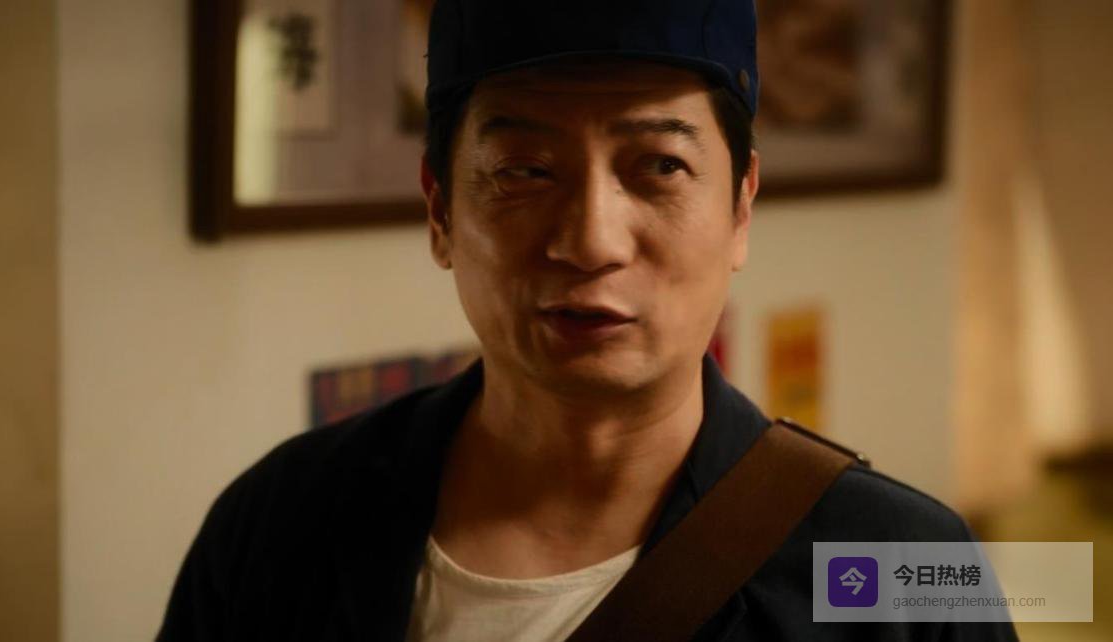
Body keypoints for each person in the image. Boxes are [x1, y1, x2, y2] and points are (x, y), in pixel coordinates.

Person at [159, 1, 1019, 640]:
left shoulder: (908, 568)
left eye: (660, 166)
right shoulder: (282, 523)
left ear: (741, 208)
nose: (591, 241)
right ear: (440, 210)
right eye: (524, 170)